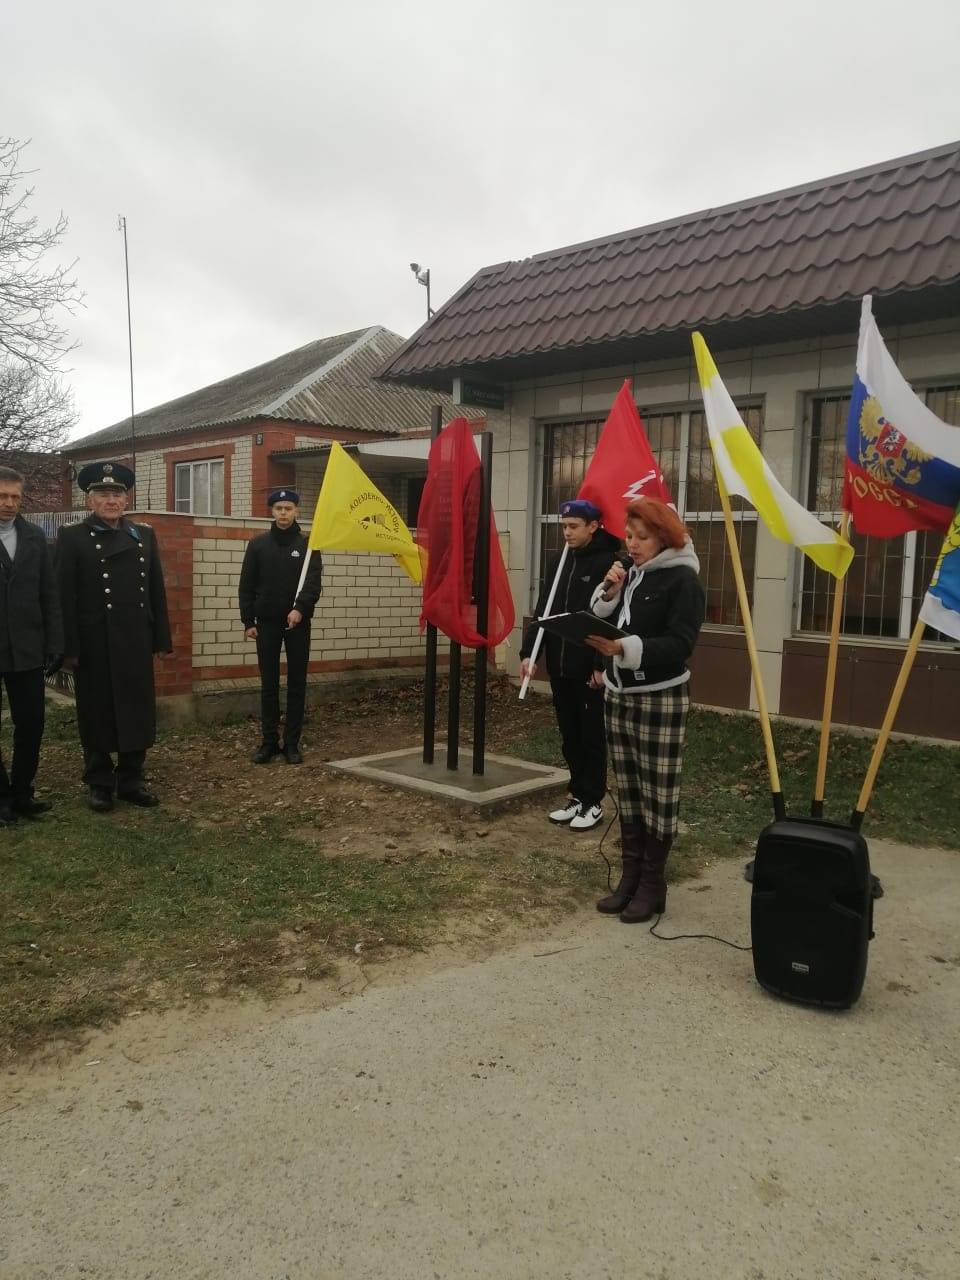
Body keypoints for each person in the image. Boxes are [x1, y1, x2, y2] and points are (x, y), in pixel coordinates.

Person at [586, 497, 705, 922]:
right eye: (629, 536)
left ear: (665, 538)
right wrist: (609, 591)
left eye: (641, 538)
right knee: (630, 790)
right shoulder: (632, 574)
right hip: (620, 697)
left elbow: (680, 643)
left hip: (660, 698)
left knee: (659, 794)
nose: (632, 545)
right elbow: (606, 619)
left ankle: (653, 883)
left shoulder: (683, 581)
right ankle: (630, 876)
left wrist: (624, 648)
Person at [56, 462, 172, 812]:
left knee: (137, 710)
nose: (111, 500)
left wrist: (160, 638)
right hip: (95, 642)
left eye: (117, 494)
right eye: (103, 494)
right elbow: (64, 596)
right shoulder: (73, 537)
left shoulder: (143, 535)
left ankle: (131, 779)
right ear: (89, 500)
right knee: (97, 712)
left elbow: (155, 590)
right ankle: (99, 782)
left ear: (126, 499)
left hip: (135, 638)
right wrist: (68, 647)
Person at [520, 498, 622, 831]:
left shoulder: (608, 562)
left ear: (593, 526)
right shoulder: (558, 561)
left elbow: (610, 619)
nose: (566, 532)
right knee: (569, 735)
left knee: (591, 736)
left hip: (587, 667)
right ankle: (577, 795)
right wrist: (529, 654)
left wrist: (600, 664)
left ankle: (593, 801)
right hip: (559, 666)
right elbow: (544, 609)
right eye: (564, 526)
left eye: (574, 526)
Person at [239, 489, 323, 765]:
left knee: (297, 683)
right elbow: (246, 586)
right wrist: (248, 621)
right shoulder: (258, 545)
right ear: (272, 512)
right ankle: (269, 742)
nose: (283, 513)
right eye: (279, 508)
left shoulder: (309, 546)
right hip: (266, 625)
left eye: (288, 508)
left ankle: (292, 744)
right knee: (269, 684)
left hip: (298, 625)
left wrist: (300, 609)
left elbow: (312, 584)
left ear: (296, 511)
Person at [0, 465, 64, 825]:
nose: (9, 503)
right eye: (2, 496)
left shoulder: (35, 537)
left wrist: (54, 642)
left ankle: (22, 793)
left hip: (27, 647)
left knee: (31, 724)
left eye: (15, 497)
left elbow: (48, 593)